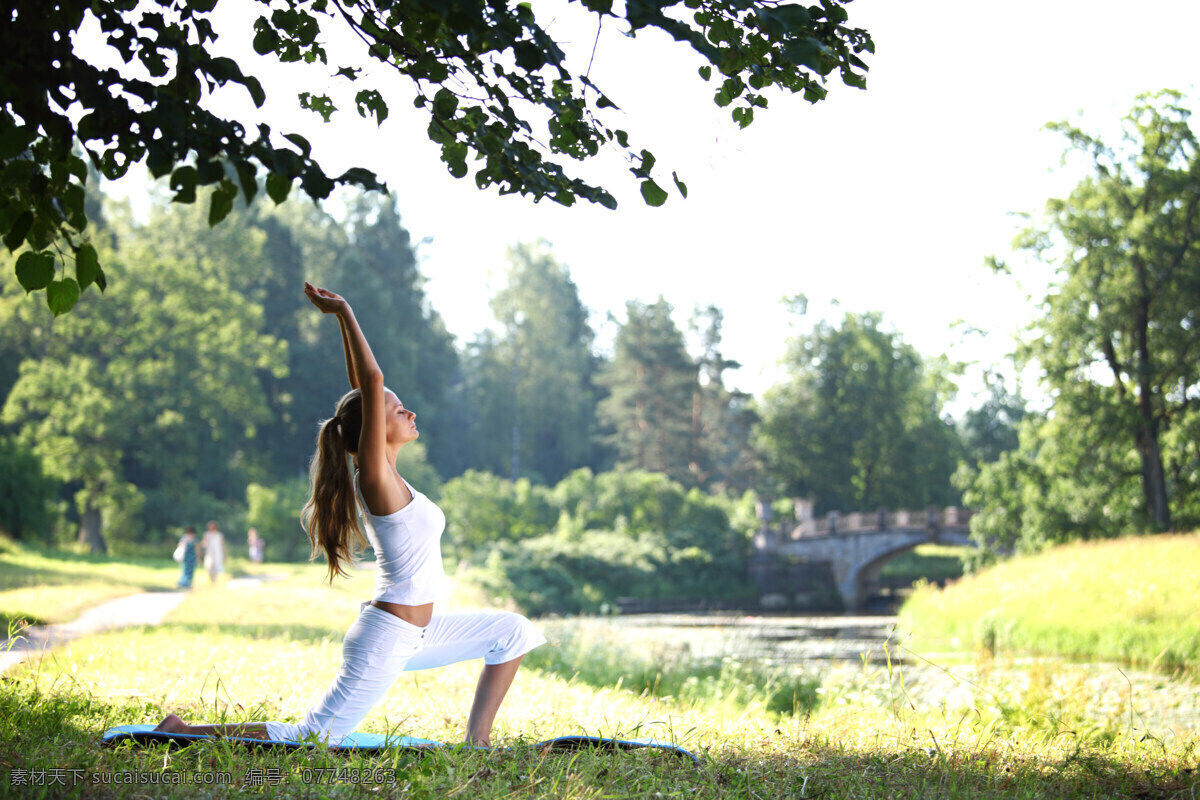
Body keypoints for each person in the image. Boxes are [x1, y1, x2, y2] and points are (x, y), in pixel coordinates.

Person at [156, 282, 544, 746]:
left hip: (416, 634)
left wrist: (346, 333)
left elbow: (365, 391)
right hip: (387, 636)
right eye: (399, 411)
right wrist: (344, 312)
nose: (411, 413)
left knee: (512, 631)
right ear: (375, 430)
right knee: (313, 736)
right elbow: (371, 385)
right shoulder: (374, 480)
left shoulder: (391, 479)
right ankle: (183, 732)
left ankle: (477, 743)